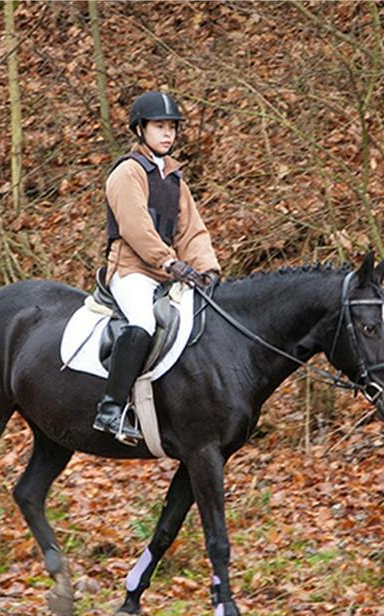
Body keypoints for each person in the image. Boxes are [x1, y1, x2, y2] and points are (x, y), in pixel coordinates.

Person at [93, 91, 221, 445]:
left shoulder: (174, 178)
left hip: (167, 274)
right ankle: (111, 409)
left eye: (172, 128)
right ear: (140, 130)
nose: (168, 134)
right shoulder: (127, 173)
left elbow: (191, 230)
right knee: (143, 322)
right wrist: (168, 261)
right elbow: (136, 227)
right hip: (131, 270)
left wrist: (207, 267)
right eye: (159, 127)